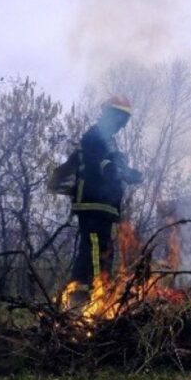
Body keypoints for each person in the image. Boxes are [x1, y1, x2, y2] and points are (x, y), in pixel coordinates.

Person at [48, 96, 143, 299]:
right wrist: (114, 170)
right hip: (93, 203)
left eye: (123, 119)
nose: (119, 123)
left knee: (105, 249)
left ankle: (99, 291)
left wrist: (129, 174)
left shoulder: (108, 141)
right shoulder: (94, 136)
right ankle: (86, 296)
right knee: (94, 250)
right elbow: (98, 163)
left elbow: (111, 165)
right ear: (108, 115)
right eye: (117, 117)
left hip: (106, 207)